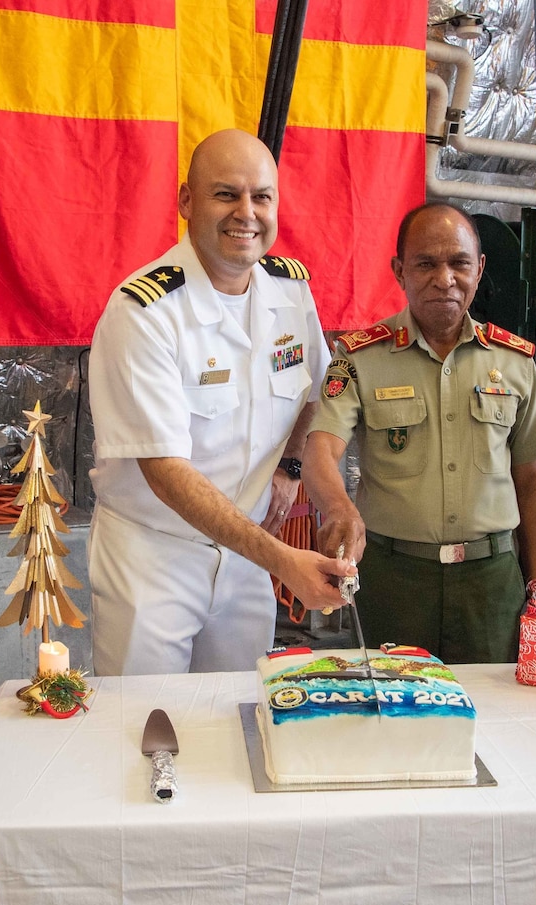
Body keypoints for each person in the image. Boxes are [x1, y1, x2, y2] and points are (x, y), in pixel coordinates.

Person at [87, 128, 352, 675]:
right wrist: (281, 559)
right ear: (187, 201)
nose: (246, 213)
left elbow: (317, 391)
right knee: (147, 728)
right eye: (225, 194)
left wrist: (293, 467)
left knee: (236, 719)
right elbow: (164, 470)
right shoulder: (145, 311)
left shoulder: (290, 289)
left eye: (262, 196)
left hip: (247, 557)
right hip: (155, 557)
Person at [302, 203, 536, 662]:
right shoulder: (360, 359)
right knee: (391, 722)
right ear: (399, 270)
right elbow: (321, 446)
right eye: (426, 263)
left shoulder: (514, 363)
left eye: (459, 262)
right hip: (395, 581)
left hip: (492, 582)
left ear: (479, 270)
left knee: (496, 721)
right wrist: (339, 506)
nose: (445, 279)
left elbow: (534, 481)